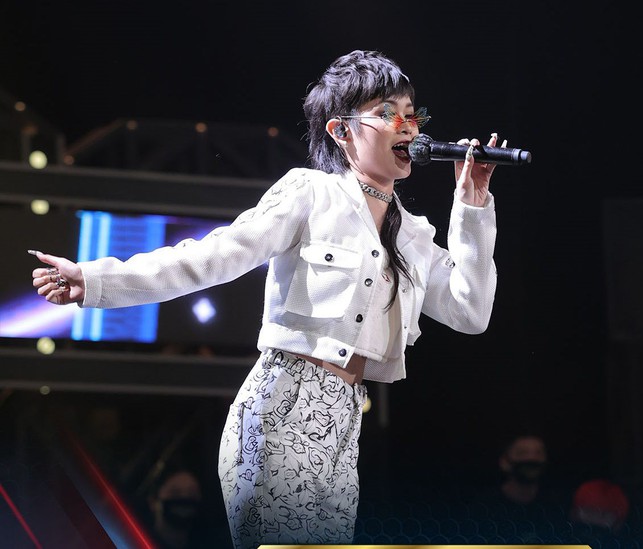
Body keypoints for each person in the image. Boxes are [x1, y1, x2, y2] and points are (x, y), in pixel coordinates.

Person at [29, 49, 501, 548]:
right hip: (283, 408)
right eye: (387, 113)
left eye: (411, 113)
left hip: (345, 424)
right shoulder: (310, 194)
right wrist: (96, 280)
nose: (407, 125)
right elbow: (211, 257)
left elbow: (470, 311)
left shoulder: (412, 235)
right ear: (340, 131)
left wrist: (472, 207)